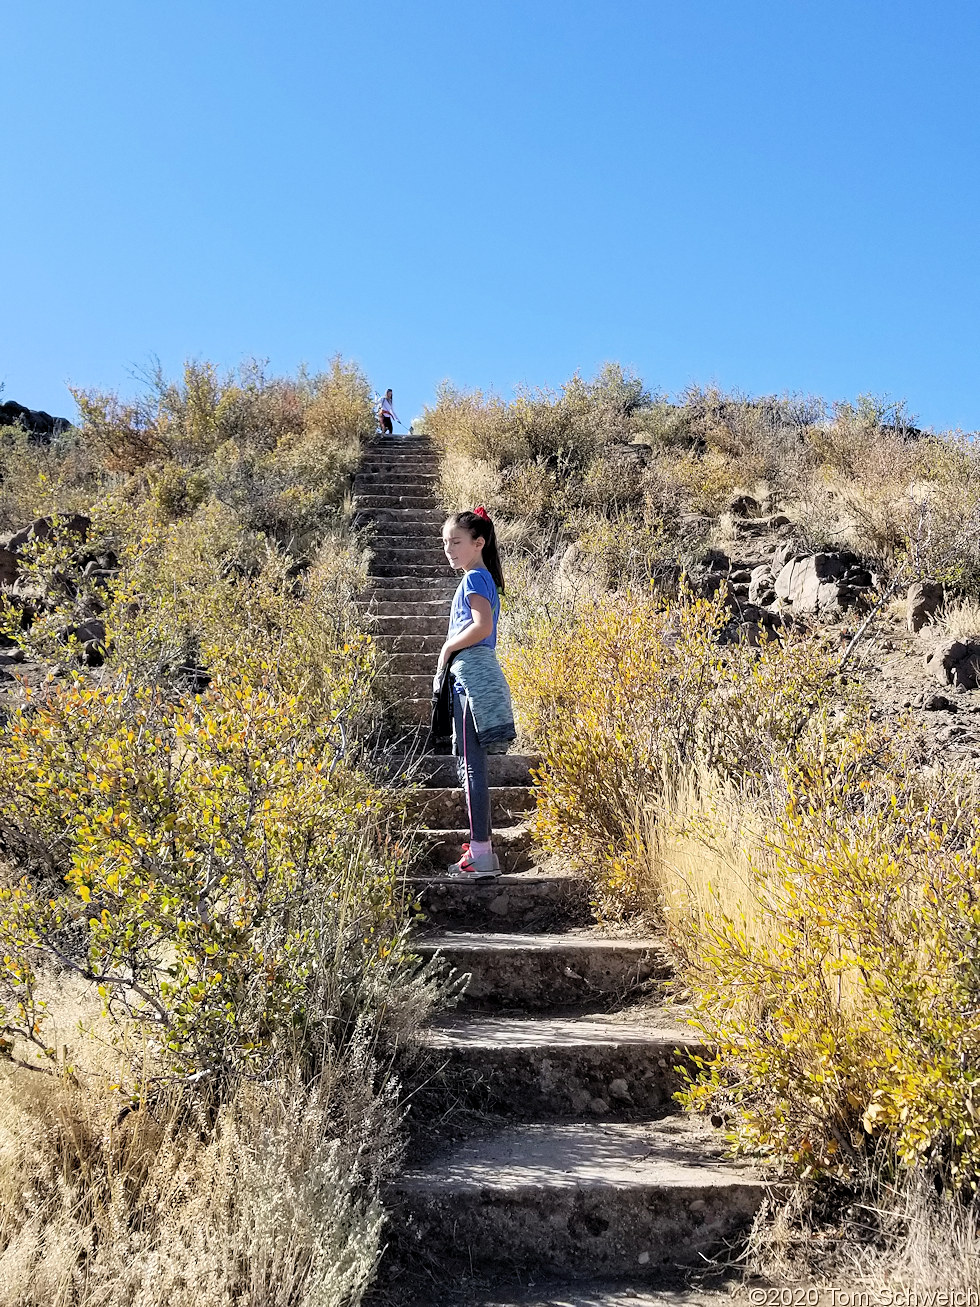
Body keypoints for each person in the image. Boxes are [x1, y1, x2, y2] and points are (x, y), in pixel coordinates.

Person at [436, 507, 516, 879]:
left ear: (478, 543)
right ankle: (481, 851)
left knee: (471, 766)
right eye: (445, 543)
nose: (449, 549)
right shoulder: (481, 578)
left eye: (456, 542)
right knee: (472, 765)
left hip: (471, 675)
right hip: (477, 673)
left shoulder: (473, 580)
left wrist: (448, 647)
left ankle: (481, 853)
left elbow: (482, 628)